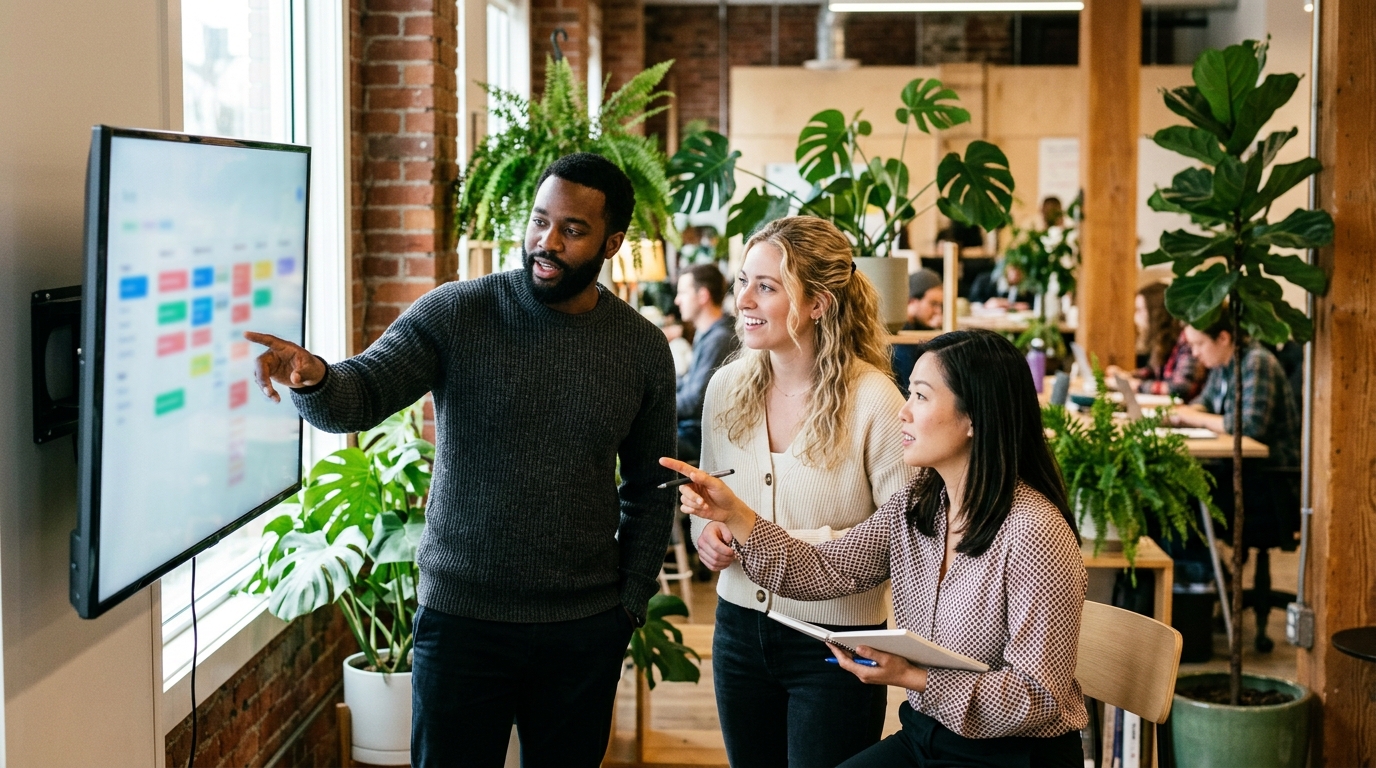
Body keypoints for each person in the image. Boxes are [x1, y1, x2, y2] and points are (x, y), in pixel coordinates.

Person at [245, 153, 676, 768]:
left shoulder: (640, 347)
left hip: (581, 628)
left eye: (572, 230)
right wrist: (313, 379)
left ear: (613, 243)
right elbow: (362, 393)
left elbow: (652, 485)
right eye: (538, 221)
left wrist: (629, 602)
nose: (545, 243)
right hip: (462, 620)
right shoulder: (458, 312)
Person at [665, 329, 1088, 767]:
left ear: (974, 419)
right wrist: (735, 514)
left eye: (921, 397)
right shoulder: (921, 502)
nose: (902, 412)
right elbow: (828, 569)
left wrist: (914, 676)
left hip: (1013, 755)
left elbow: (1040, 698)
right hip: (926, 737)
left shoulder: (1035, 533)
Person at [691, 216, 916, 767]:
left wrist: (762, 536)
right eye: (742, 280)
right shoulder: (725, 390)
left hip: (836, 641)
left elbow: (903, 541)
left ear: (817, 302)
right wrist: (711, 535)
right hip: (739, 630)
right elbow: (710, 501)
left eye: (766, 287)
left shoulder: (875, 401)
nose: (743, 298)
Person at [1170, 312, 1301, 651]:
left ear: (1224, 338)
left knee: (1180, 503)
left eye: (1199, 344)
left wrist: (1191, 416)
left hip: (1267, 492)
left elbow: (1249, 427)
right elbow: (1203, 407)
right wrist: (1187, 414)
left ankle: (1200, 596)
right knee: (1174, 492)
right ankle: (1206, 586)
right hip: (1239, 479)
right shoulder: (1225, 367)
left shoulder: (1257, 364)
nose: (1195, 354)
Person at [674, 263, 739, 463]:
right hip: (691, 430)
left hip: (700, 437)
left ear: (703, 296)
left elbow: (695, 402)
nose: (677, 300)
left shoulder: (719, 339)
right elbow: (688, 386)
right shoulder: (707, 334)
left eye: (683, 293)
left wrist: (652, 405)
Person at [1107, 282, 1205, 401]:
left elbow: (1181, 388)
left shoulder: (1188, 341)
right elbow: (1154, 372)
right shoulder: (1167, 342)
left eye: (1140, 310)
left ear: (1156, 312)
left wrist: (1135, 385)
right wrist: (1126, 376)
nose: (1135, 317)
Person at [891, 268, 943, 396]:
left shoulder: (916, 328)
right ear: (912, 301)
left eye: (940, 305)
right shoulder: (904, 339)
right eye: (933, 304)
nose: (938, 311)